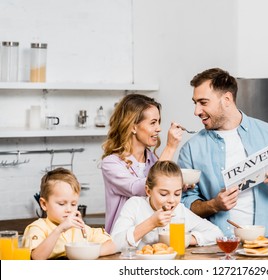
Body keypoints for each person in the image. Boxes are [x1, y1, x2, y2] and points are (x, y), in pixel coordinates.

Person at [178, 68, 268, 237]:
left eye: (203, 102)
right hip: (219, 245)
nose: (196, 111)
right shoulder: (191, 149)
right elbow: (185, 203)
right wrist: (214, 205)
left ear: (227, 99)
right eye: (195, 103)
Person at [101, 94, 183, 233]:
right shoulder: (111, 164)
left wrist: (181, 185)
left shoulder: (153, 160)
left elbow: (161, 192)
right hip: (122, 245)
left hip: (150, 240)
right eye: (152, 123)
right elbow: (138, 188)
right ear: (133, 127)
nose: (159, 128)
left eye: (159, 122)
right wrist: (170, 147)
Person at [110, 160, 223, 250]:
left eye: (177, 193)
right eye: (164, 194)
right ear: (148, 191)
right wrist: (151, 223)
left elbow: (216, 233)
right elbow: (114, 244)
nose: (172, 200)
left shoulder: (179, 210)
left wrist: (186, 239)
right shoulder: (135, 205)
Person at [22, 168, 117, 260]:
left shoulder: (80, 229)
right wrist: (59, 229)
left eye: (73, 204)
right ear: (44, 204)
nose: (69, 209)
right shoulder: (38, 228)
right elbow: (37, 257)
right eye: (61, 204)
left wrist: (87, 253)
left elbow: (113, 244)